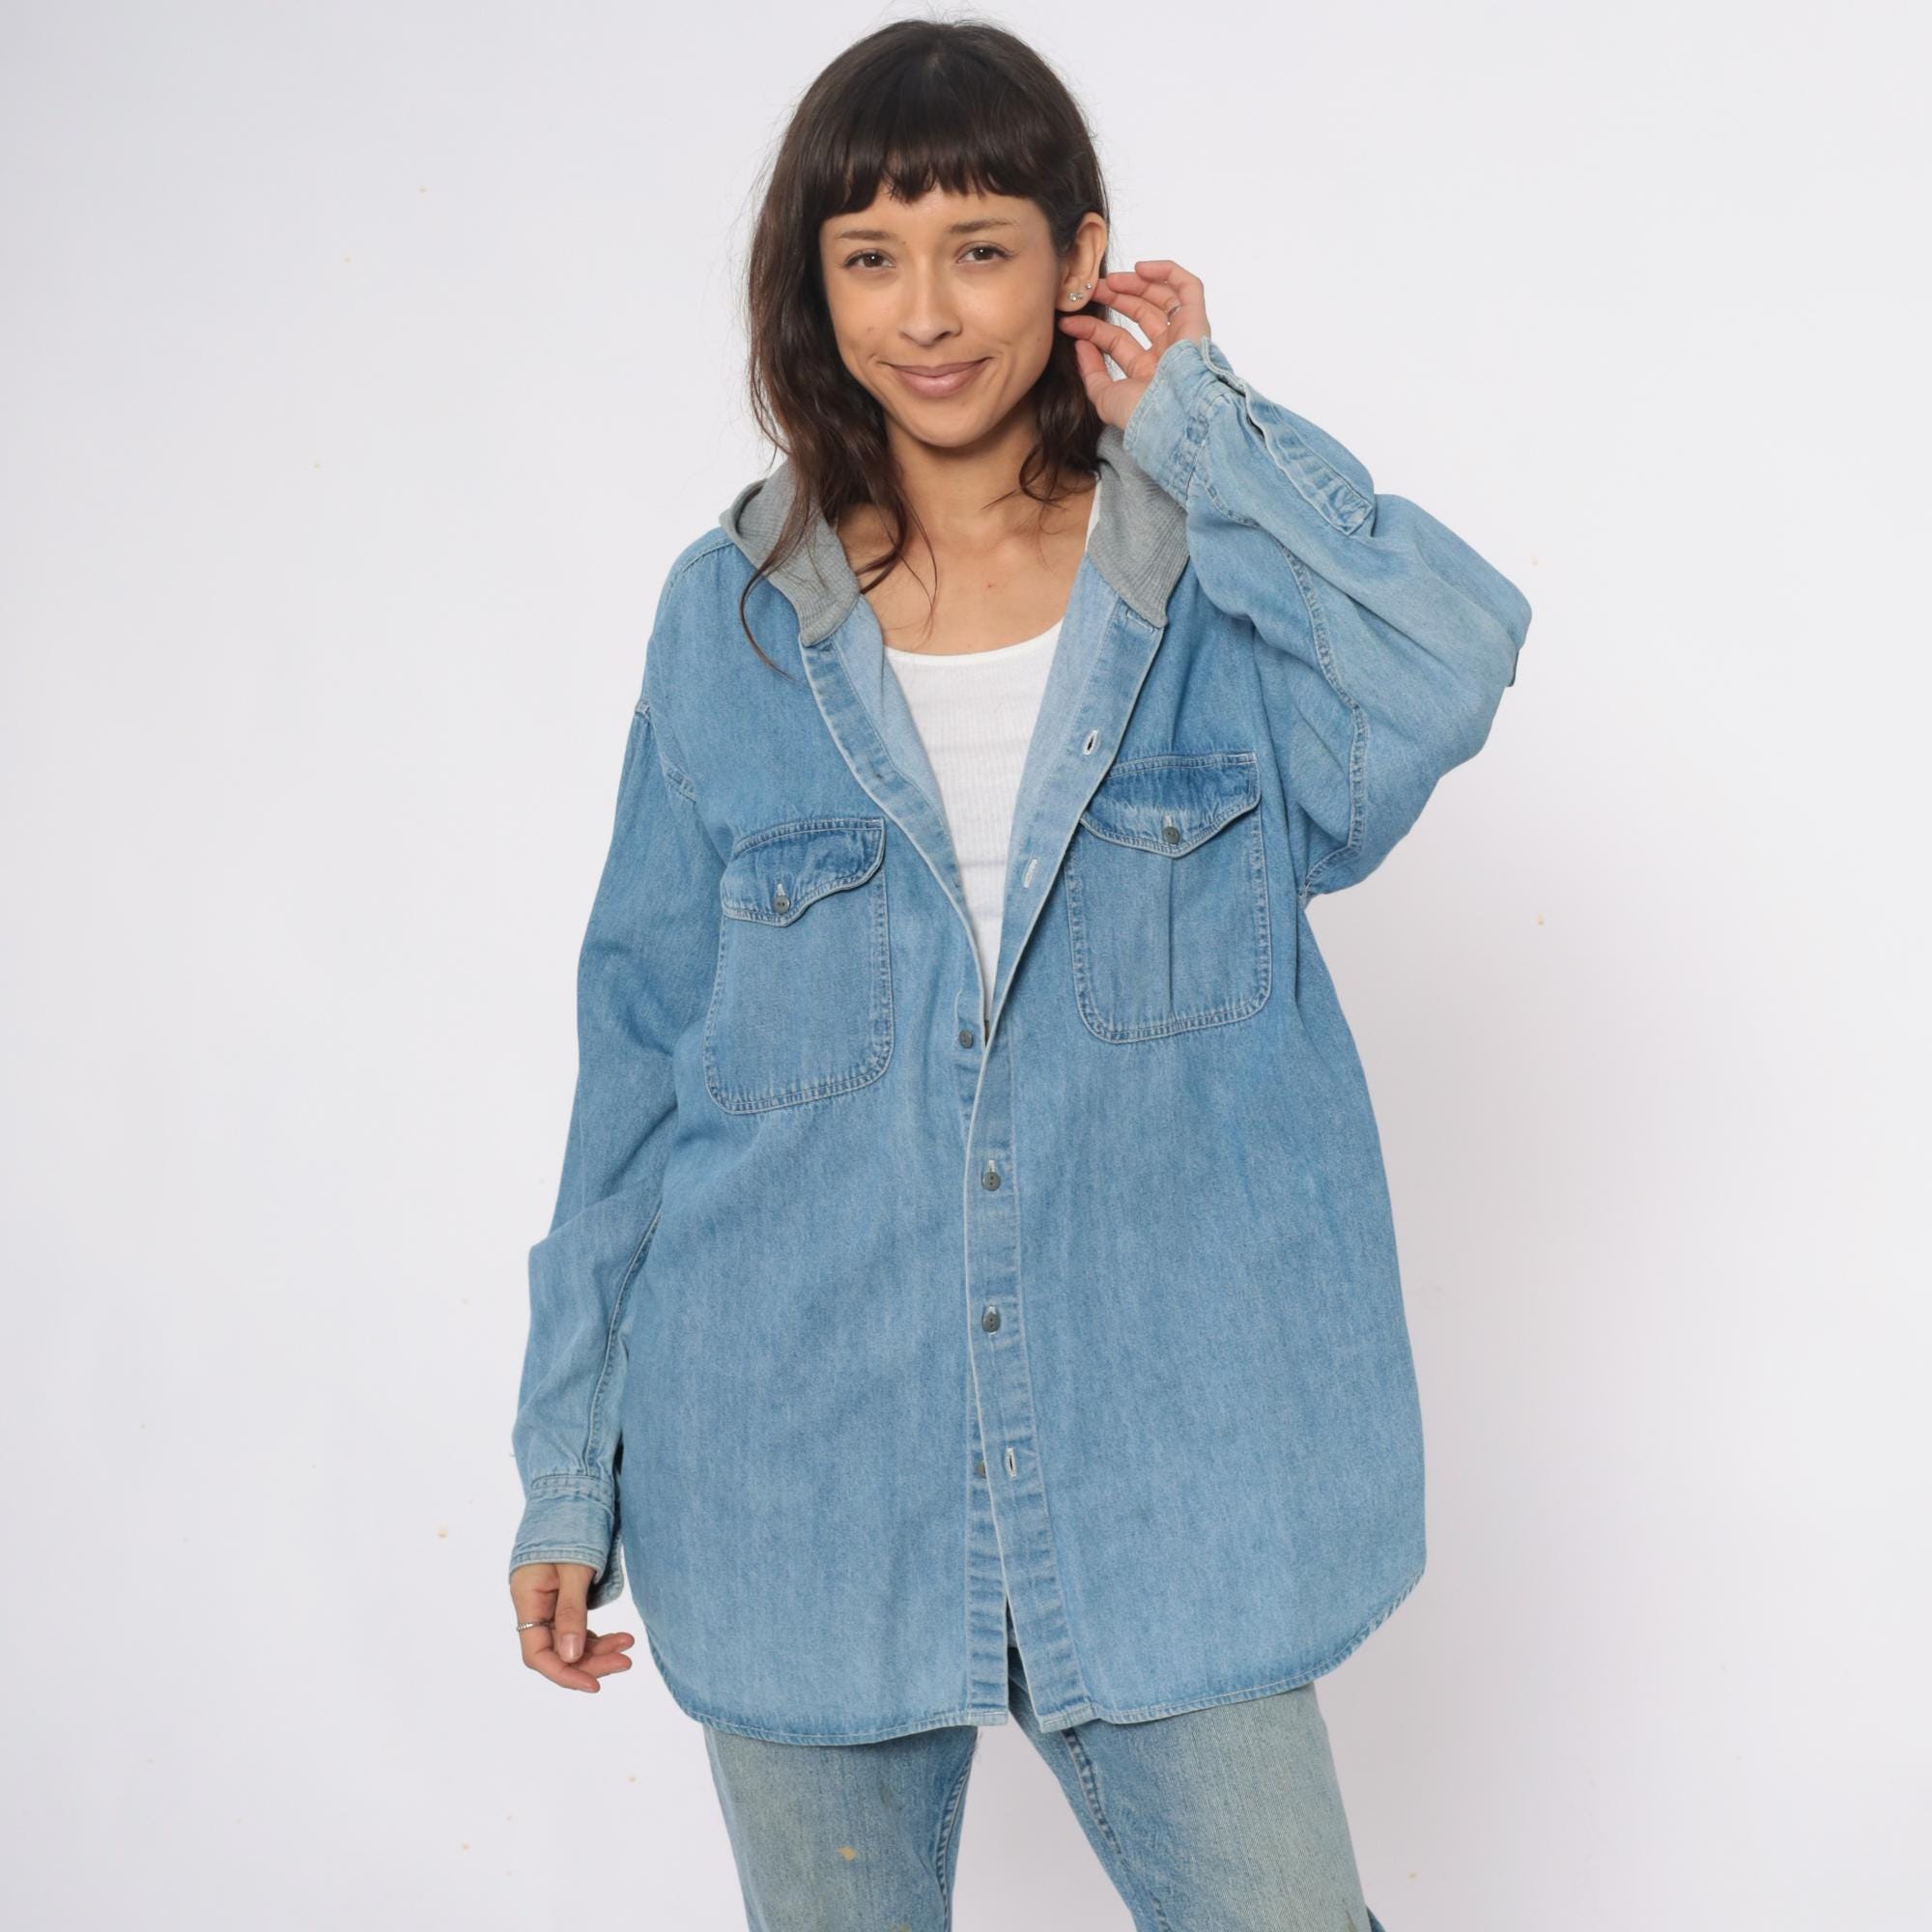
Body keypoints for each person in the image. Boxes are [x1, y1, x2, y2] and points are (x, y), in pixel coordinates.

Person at [506, 18, 1529, 1930]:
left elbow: (1444, 664)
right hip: (800, 1469)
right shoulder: (728, 621)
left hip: (1171, 1468)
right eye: (869, 257)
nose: (925, 312)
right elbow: (638, 1056)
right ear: (812, 288)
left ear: (1078, 256)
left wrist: (1202, 424)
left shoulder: (1207, 578)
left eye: (978, 246)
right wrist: (571, 1467)